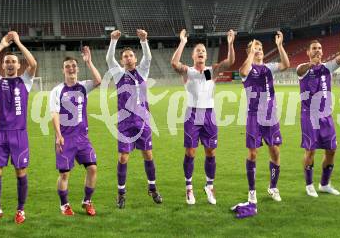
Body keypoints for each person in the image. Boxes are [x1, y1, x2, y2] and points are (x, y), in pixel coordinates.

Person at [171, 29, 235, 205]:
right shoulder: (188, 71)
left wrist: (230, 43)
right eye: (198, 50)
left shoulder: (211, 71)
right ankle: (189, 188)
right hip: (192, 114)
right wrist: (182, 42)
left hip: (209, 114)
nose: (201, 52)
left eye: (203, 51)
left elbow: (230, 61)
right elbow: (174, 63)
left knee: (210, 151)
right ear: (193, 55)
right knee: (191, 152)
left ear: (206, 56)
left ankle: (209, 186)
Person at [0, 31, 37, 226]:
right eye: (7, 61)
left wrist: (19, 43)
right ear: (3, 65)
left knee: (20, 172)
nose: (11, 63)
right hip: (0, 134)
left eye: (14, 61)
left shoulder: (26, 81)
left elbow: (34, 64)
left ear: (18, 65)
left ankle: (20, 210)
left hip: (19, 134)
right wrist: (2, 45)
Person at [106, 29, 162, 209]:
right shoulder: (118, 75)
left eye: (131, 55)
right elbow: (109, 59)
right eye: (125, 56)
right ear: (122, 61)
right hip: (125, 124)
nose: (129, 58)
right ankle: (121, 193)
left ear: (135, 59)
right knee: (123, 157)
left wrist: (144, 40)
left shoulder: (142, 72)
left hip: (143, 121)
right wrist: (113, 41)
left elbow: (149, 58)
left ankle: (152, 188)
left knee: (148, 154)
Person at [296, 26, 340, 197]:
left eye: (319, 48)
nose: (317, 51)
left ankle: (325, 184)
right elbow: (300, 71)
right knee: (310, 151)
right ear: (308, 52)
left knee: (331, 150)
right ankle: (309, 185)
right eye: (314, 48)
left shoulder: (327, 68)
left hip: (326, 116)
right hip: (309, 116)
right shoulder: (303, 68)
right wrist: (310, 64)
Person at [239, 31, 290, 204]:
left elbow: (285, 64)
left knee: (275, 151)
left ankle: (273, 187)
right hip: (254, 117)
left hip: (271, 116)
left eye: (260, 48)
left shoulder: (269, 68)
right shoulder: (247, 69)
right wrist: (251, 53)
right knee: (253, 153)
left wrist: (279, 45)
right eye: (255, 48)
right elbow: (243, 70)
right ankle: (252, 191)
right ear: (250, 51)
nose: (259, 50)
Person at [49, 47, 101, 216]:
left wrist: (89, 62)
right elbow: (54, 113)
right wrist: (58, 135)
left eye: (73, 65)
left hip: (82, 137)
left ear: (77, 69)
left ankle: (87, 201)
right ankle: (64, 205)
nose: (71, 68)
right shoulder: (57, 90)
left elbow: (98, 81)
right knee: (65, 174)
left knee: (92, 168)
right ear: (63, 70)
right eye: (67, 66)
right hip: (66, 138)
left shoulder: (83, 87)